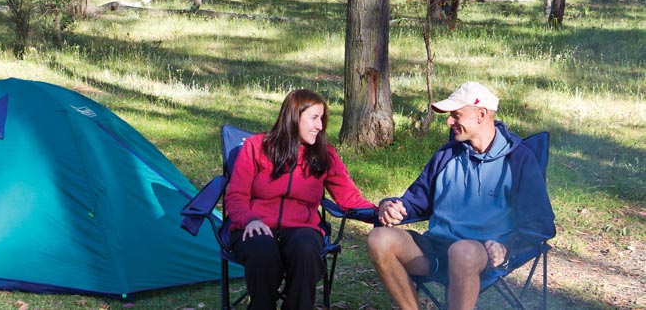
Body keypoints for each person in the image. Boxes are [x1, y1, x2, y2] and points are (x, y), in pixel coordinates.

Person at [367, 81, 555, 310]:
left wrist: (506, 248)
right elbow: (416, 200)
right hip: (435, 250)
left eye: (456, 115)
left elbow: (541, 224)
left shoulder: (519, 160)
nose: (449, 122)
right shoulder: (446, 155)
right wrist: (391, 206)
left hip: (482, 253)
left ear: (481, 114)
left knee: (462, 251)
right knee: (379, 239)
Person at [226, 89, 377, 310]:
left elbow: (349, 197)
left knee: (306, 249)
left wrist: (379, 211)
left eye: (322, 119)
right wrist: (250, 220)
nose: (320, 126)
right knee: (262, 251)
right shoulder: (256, 147)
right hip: (254, 225)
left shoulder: (325, 154)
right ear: (294, 117)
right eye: (314, 118)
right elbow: (236, 196)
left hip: (303, 228)